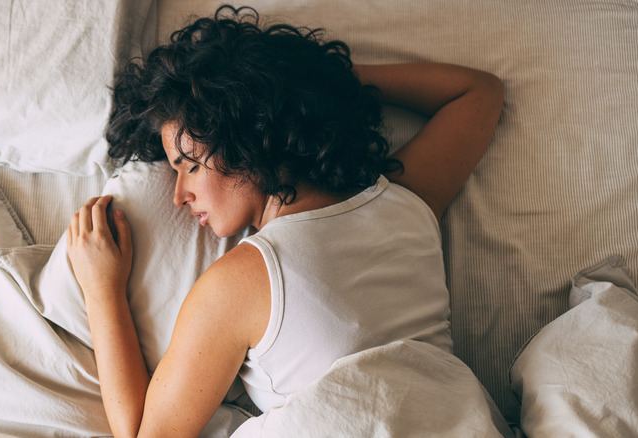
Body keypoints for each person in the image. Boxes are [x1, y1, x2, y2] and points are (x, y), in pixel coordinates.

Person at [66, 5, 504, 437]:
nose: (179, 195)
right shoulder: (406, 199)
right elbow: (477, 92)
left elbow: (146, 435)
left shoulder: (240, 281)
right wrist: (317, 85)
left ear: (251, 136)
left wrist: (102, 290)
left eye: (190, 165)